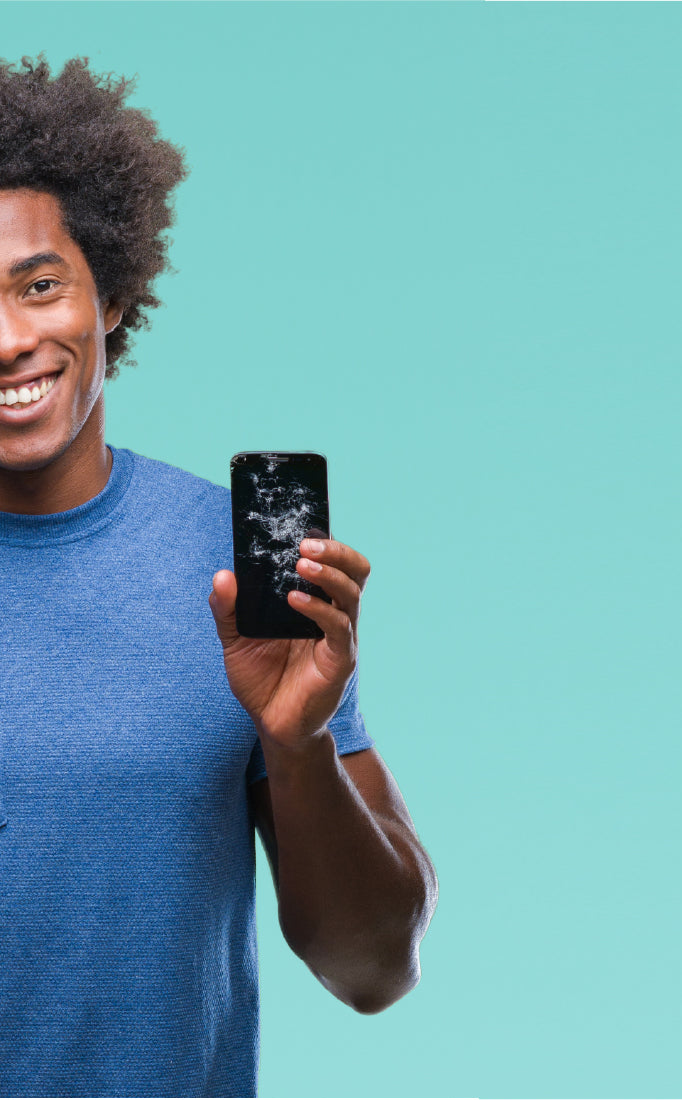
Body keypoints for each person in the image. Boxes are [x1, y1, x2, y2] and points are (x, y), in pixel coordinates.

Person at [0, 55, 437, 1097]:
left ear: (110, 294)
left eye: (39, 284)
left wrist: (299, 743)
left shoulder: (235, 571)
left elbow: (373, 968)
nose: (9, 338)